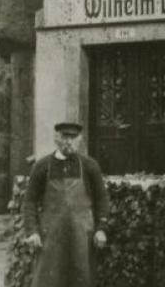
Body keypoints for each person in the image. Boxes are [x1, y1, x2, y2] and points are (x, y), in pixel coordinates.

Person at [22, 121, 110, 287]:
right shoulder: (41, 166)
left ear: (79, 140)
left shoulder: (90, 166)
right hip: (51, 238)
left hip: (81, 238)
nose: (69, 141)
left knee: (82, 279)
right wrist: (32, 231)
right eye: (64, 137)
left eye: (73, 137)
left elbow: (102, 199)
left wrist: (101, 229)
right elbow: (30, 201)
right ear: (56, 138)